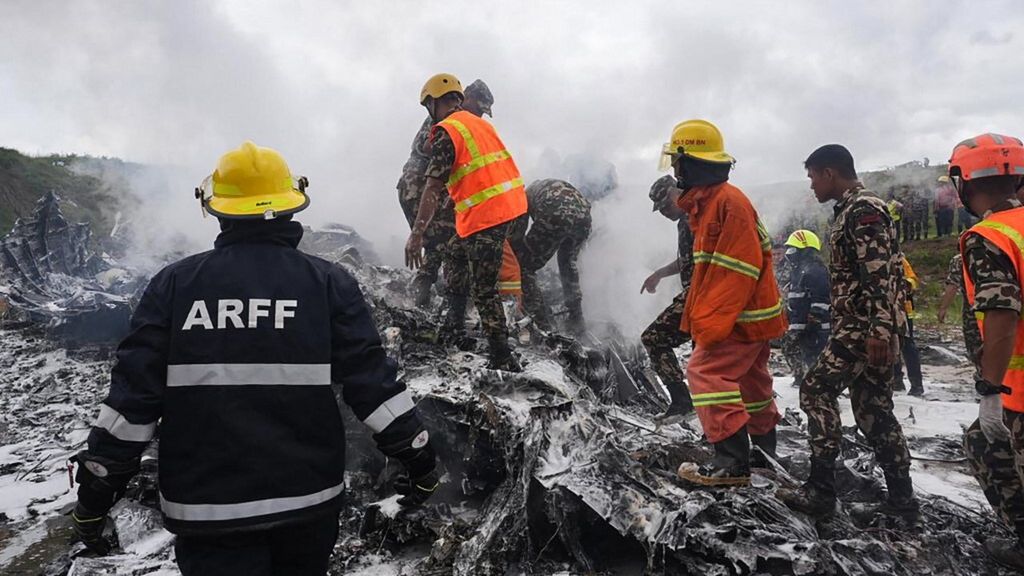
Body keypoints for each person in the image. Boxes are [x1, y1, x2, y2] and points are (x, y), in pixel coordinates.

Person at [69, 142, 439, 575]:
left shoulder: (174, 286)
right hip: (308, 507)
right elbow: (373, 387)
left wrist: (94, 499)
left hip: (208, 517)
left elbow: (131, 407)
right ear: (291, 206)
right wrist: (420, 460)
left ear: (218, 209)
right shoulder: (327, 284)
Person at [777, 144, 918, 522]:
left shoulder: (863, 210)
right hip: (866, 325)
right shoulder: (853, 209)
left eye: (812, 177)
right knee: (874, 411)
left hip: (862, 326)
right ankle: (903, 502)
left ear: (829, 173)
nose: (811, 186)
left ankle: (821, 488)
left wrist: (878, 330)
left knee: (815, 389)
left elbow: (878, 274)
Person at [659, 120, 786, 486]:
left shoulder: (726, 204)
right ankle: (764, 456)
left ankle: (731, 464)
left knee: (706, 373)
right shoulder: (713, 202)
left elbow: (736, 271)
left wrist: (711, 327)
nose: (673, 169)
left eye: (677, 161)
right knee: (751, 386)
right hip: (751, 318)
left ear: (692, 161)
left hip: (739, 319)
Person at [405, 73, 527, 371]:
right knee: (455, 254)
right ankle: (454, 327)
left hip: (489, 214)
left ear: (434, 102)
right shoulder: (480, 124)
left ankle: (502, 355)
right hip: (504, 207)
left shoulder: (448, 130)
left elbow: (433, 187)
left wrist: (417, 235)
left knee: (484, 288)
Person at [950, 132, 1024, 568]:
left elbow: (1000, 313)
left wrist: (989, 389)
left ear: (963, 182)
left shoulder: (988, 236)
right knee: (981, 443)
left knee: (985, 444)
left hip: (1017, 388)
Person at [640, 175, 695, 422]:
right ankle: (714, 430)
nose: (663, 212)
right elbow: (686, 260)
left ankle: (682, 402)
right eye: (659, 209)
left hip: (701, 296)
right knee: (703, 364)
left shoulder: (694, 218)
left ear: (676, 193)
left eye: (665, 205)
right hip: (699, 296)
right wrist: (659, 274)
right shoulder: (684, 221)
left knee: (653, 337)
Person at [508, 178, 592, 335]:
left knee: (524, 267)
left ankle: (542, 323)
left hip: (555, 213)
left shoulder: (521, 197)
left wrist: (514, 259)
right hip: (584, 217)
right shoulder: (547, 186)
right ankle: (576, 318)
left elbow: (515, 238)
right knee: (568, 264)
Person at [780, 230, 831, 390]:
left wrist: (814, 321)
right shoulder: (798, 271)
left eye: (793, 249)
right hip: (798, 322)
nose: (789, 254)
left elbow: (821, 299)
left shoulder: (815, 271)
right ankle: (801, 377)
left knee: (814, 355)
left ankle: (816, 383)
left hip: (814, 326)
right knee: (791, 347)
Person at [895, 257, 924, 396]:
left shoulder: (900, 259)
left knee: (907, 345)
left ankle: (917, 385)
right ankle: (896, 382)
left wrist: (907, 284)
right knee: (889, 344)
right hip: (883, 309)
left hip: (903, 309)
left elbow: (912, 280)